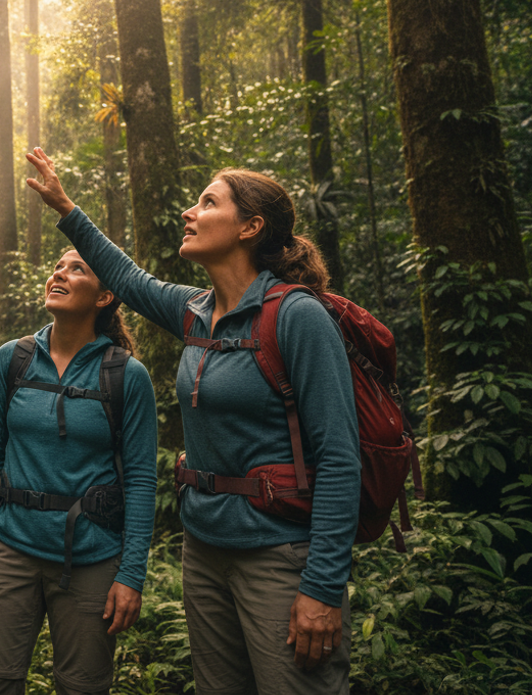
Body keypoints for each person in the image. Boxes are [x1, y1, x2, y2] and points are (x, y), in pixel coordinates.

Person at [25, 146, 360, 694]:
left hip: (279, 555)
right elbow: (126, 279)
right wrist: (65, 207)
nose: (189, 212)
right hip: (203, 551)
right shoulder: (196, 311)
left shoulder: (298, 316)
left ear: (250, 226)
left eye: (208, 202)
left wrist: (323, 588)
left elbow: (341, 459)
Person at [0, 248, 157, 695]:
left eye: (77, 269)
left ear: (105, 295)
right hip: (9, 548)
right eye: (57, 267)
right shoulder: (14, 359)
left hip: (92, 557)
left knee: (83, 686)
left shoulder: (127, 376)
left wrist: (130, 575)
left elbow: (144, 478)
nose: (59, 274)